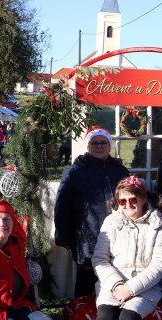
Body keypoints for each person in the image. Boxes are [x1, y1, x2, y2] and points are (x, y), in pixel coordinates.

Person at [92, 176, 162, 320]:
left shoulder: (158, 224)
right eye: (122, 201)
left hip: (145, 285)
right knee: (106, 317)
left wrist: (131, 288)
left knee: (128, 318)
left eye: (133, 200)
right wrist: (117, 285)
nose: (127, 205)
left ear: (144, 198)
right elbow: (100, 259)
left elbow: (159, 265)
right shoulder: (111, 222)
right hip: (114, 283)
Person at [55, 127, 130, 297]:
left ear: (109, 146)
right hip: (86, 236)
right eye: (94, 143)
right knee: (86, 280)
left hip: (118, 234)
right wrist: (64, 237)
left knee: (116, 276)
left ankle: (109, 316)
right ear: (88, 146)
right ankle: (82, 319)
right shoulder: (75, 171)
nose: (99, 146)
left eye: (103, 142)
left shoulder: (119, 170)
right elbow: (62, 205)